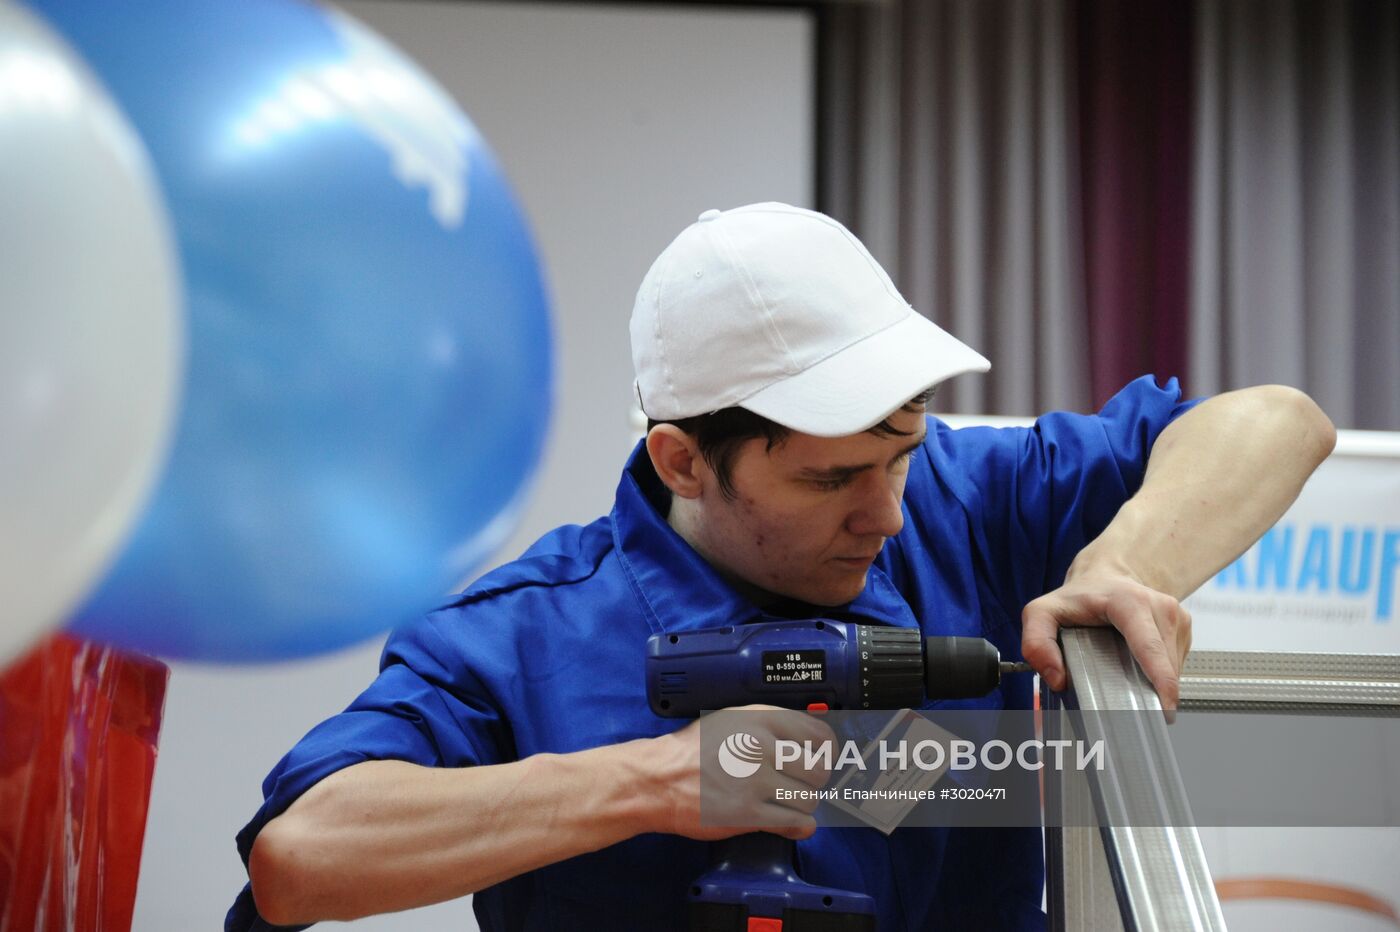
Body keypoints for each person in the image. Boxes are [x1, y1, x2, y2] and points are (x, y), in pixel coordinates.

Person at [230, 203, 1335, 930]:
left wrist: (1121, 562)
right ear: (683, 460)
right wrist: (650, 782)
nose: (887, 511)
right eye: (828, 479)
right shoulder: (526, 630)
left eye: (898, 453)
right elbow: (304, 852)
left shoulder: (963, 502)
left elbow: (1274, 422)